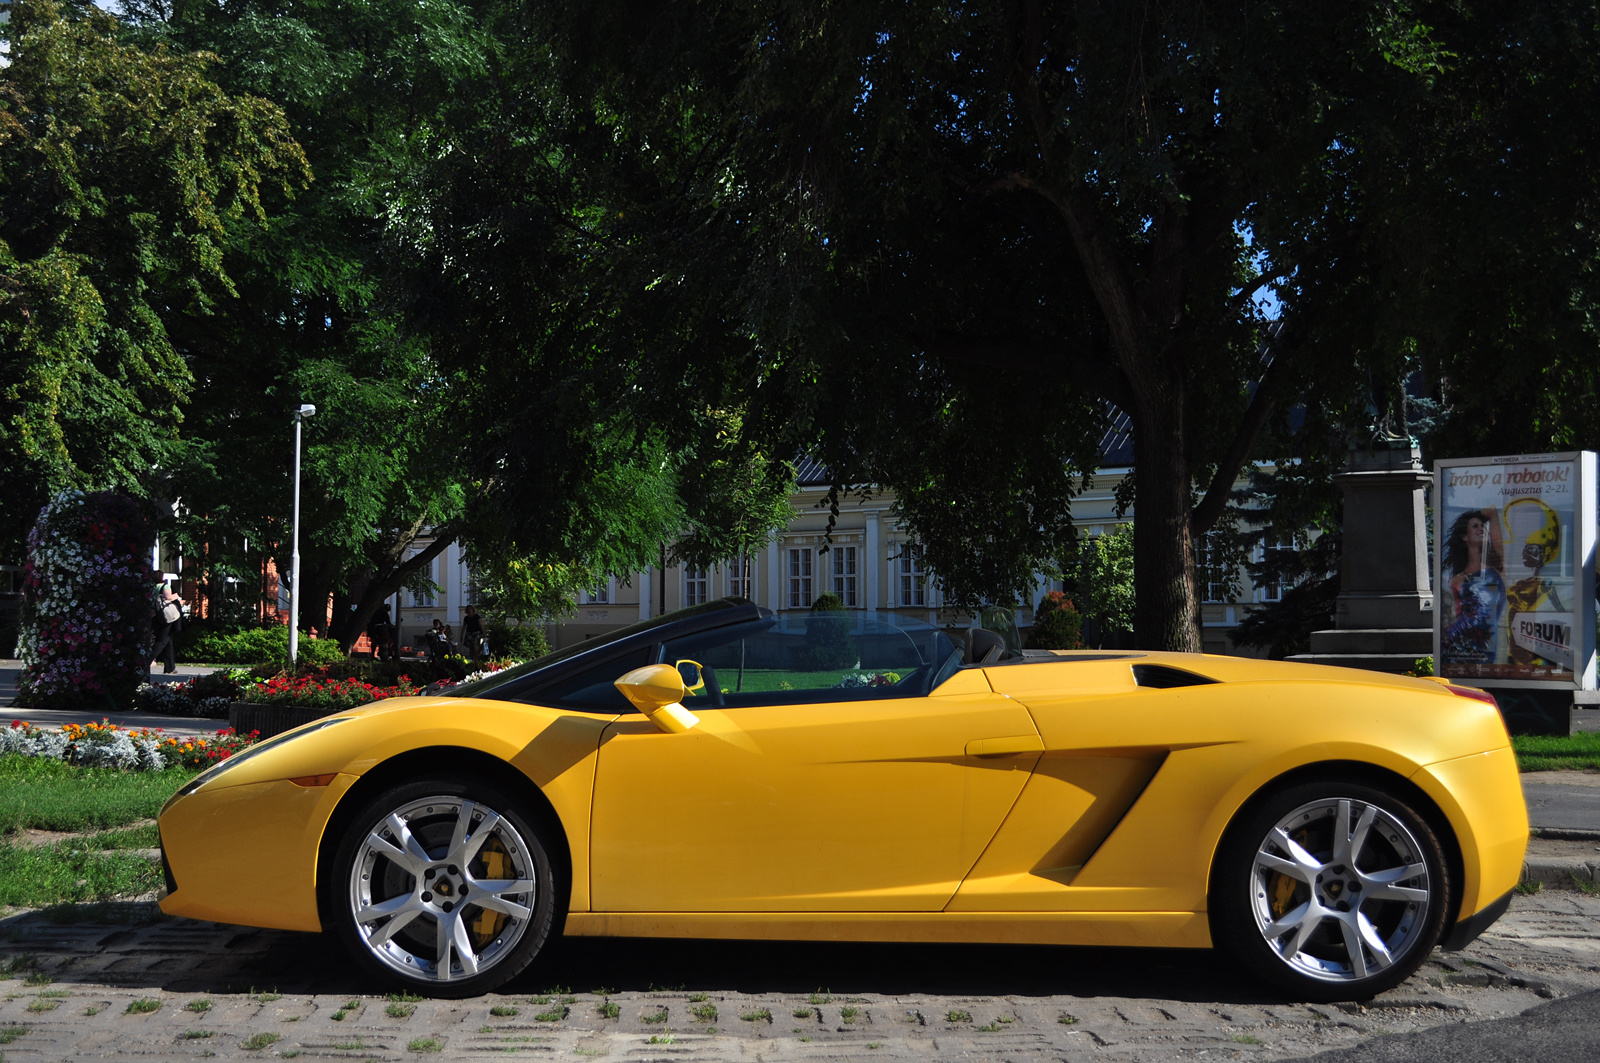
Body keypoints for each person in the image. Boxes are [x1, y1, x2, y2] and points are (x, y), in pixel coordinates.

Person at [1505, 498, 1567, 668]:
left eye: (1531, 550)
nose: (1525, 554)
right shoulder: (1519, 585)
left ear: (1544, 553)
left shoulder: (1545, 583)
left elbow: (1560, 610)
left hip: (1531, 648)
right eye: (1525, 550)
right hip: (1515, 646)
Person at [1443, 507, 1506, 664]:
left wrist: (1476, 514)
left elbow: (1492, 512)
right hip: (1457, 646)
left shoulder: (1496, 566)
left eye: (1482, 526)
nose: (1481, 529)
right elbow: (1456, 614)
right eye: (1475, 526)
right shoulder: (1457, 579)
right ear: (1465, 537)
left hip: (1485, 650)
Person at [150, 580, 183, 675]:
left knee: (168, 642)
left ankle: (170, 667)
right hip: (165, 617)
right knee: (162, 641)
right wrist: (176, 595)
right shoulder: (164, 586)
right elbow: (168, 597)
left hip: (155, 616)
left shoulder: (152, 587)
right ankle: (147, 660)